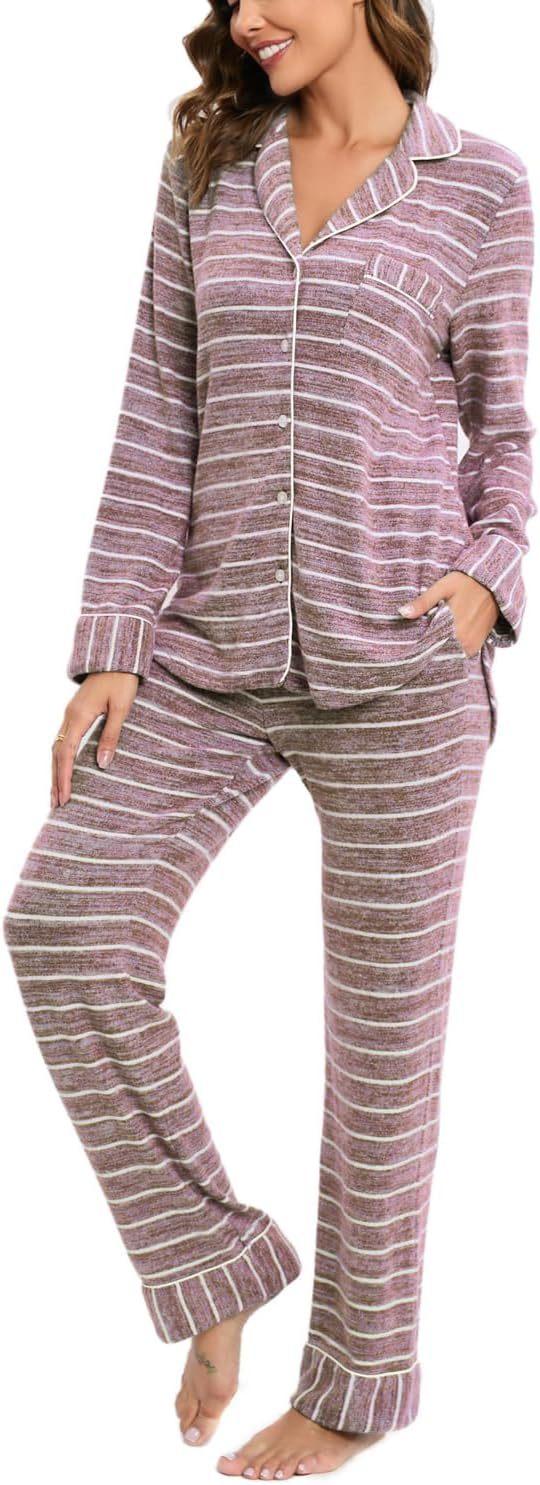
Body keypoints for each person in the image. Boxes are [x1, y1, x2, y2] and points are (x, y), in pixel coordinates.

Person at [3, 0, 536, 1478]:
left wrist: (489, 582)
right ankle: (216, 1262)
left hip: (405, 662)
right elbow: (155, 417)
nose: (245, 19)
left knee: (384, 1053)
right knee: (65, 923)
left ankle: (356, 1386)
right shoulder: (207, 174)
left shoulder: (483, 187)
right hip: (211, 653)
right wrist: (113, 642)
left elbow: (509, 434)